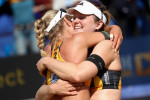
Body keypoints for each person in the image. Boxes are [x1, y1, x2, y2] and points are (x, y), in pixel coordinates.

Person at [35, 0, 123, 100]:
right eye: (74, 18)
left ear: (98, 25)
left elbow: (78, 74)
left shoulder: (106, 45)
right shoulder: (74, 49)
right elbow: (39, 96)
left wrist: (46, 61)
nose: (76, 21)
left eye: (82, 18)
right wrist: (51, 89)